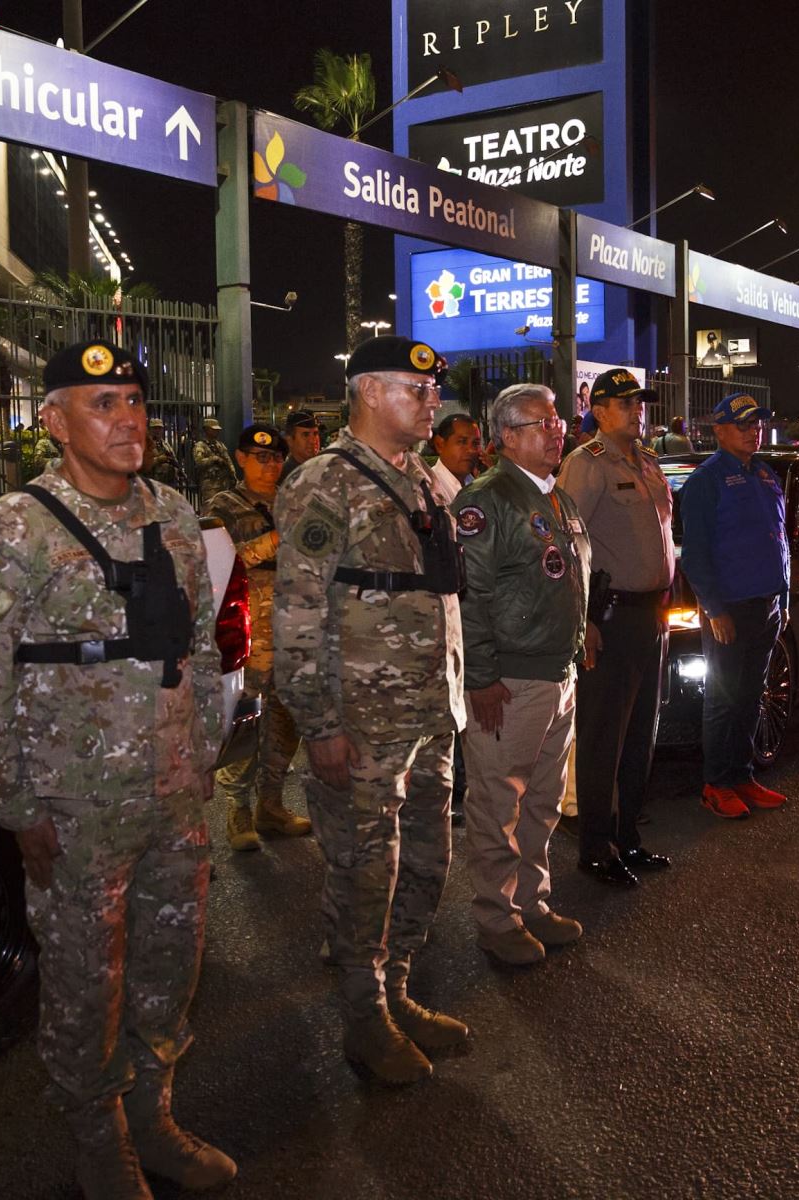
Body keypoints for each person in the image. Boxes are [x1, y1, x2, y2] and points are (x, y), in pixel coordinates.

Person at [0, 340, 234, 1198]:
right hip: (73, 804)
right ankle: (98, 1133)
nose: (128, 419)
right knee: (83, 977)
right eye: (102, 404)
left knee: (169, 961)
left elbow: (200, 645)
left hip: (173, 791)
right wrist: (12, 807)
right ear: (55, 421)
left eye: (136, 402)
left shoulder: (175, 513)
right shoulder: (17, 525)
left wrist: (207, 750)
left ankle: (154, 1114)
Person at [272, 335, 470, 1087]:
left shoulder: (424, 480)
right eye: (415, 390)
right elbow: (294, 615)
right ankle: (364, 1018)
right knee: (365, 872)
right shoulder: (322, 484)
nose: (430, 402)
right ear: (367, 393)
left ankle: (397, 992)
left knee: (427, 859)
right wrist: (318, 724)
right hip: (360, 720)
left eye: (432, 390)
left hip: (428, 710)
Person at [452, 383, 591, 965]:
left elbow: (569, 578)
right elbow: (470, 596)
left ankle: (533, 903)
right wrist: (481, 678)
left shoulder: (555, 497)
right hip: (510, 681)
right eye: (542, 422)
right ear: (508, 436)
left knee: (543, 802)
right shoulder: (487, 499)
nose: (557, 428)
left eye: (557, 419)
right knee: (496, 804)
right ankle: (497, 918)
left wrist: (582, 640)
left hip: (557, 675)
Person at [557, 368, 677, 884]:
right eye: (625, 403)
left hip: (652, 614)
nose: (637, 410)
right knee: (604, 734)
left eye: (640, 402)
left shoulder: (648, 463)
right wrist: (582, 619)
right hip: (613, 615)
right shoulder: (587, 465)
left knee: (641, 733)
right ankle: (596, 846)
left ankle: (629, 838)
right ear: (600, 411)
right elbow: (565, 545)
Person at [677, 392, 791, 819]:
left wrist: (783, 598)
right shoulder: (706, 481)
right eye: (742, 424)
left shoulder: (765, 475)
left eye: (756, 423)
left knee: (750, 696)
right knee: (723, 700)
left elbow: (780, 541)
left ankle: (742, 775)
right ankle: (716, 783)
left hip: (766, 606)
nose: (752, 431)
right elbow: (696, 554)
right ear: (719, 430)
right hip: (730, 610)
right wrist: (713, 608)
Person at [204, 422, 311, 853]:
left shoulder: (295, 500)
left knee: (287, 722)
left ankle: (272, 804)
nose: (270, 465)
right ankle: (237, 809)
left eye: (276, 457)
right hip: (251, 631)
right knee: (245, 720)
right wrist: (277, 538)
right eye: (261, 457)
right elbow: (226, 560)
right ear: (240, 458)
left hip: (295, 626)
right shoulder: (224, 506)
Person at [427, 411, 484, 828]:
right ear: (439, 445)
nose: (471, 449)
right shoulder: (431, 490)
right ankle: (454, 788)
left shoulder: (474, 487)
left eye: (475, 441)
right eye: (461, 441)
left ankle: (465, 784)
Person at [190, 416, 239, 508]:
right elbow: (199, 462)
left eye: (217, 430)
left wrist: (233, 474)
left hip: (224, 482)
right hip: (210, 484)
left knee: (225, 508)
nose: (217, 431)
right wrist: (213, 459)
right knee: (211, 507)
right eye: (214, 429)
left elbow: (228, 460)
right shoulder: (201, 445)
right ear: (206, 429)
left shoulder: (219, 445)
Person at [142, 416, 188, 492]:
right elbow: (144, 464)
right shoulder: (146, 444)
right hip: (152, 481)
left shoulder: (165, 444)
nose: (157, 431)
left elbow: (173, 459)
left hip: (167, 482)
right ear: (150, 429)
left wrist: (177, 470)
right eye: (155, 428)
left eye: (159, 428)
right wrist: (159, 459)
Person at [279, 409, 322, 482]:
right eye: (306, 435)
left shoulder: (326, 467)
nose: (313, 441)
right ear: (290, 440)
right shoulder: (283, 476)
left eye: (315, 434)